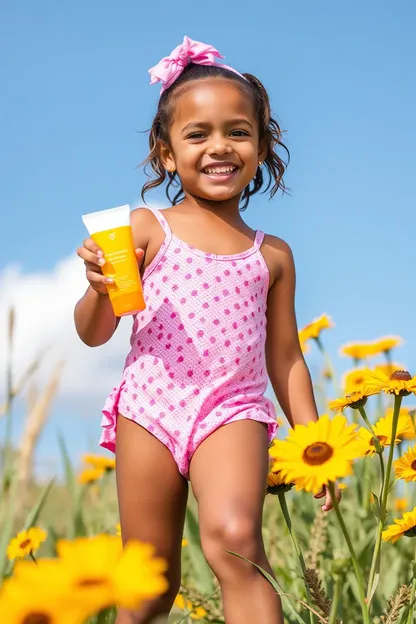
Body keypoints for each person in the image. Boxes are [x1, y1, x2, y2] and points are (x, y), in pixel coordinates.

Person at [75, 36, 340, 624]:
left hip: (234, 409)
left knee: (236, 539)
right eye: (197, 134)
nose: (219, 147)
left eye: (238, 131)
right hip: (150, 406)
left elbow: (288, 358)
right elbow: (95, 334)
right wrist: (97, 289)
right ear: (166, 153)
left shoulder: (271, 255)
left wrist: (310, 446)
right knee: (149, 581)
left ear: (262, 145)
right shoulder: (145, 230)